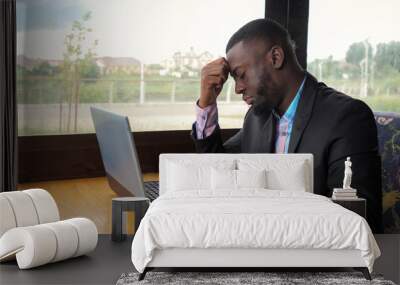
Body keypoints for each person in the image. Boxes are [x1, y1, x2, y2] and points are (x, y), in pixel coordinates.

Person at [191, 18, 383, 233]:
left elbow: (358, 220)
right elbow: (220, 168)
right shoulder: (256, 118)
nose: (237, 88)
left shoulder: (347, 118)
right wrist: (207, 102)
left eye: (241, 75)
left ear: (275, 57)